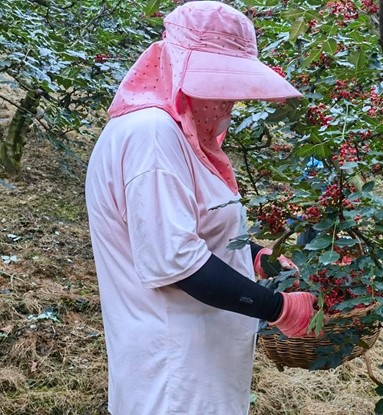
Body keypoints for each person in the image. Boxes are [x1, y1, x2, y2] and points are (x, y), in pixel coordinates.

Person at [85, 2, 318, 414]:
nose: (228, 101)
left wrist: (256, 258)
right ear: (177, 68)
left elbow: (193, 228)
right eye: (218, 83)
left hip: (202, 360)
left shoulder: (179, 136)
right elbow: (175, 260)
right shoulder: (151, 136)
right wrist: (278, 308)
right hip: (174, 372)